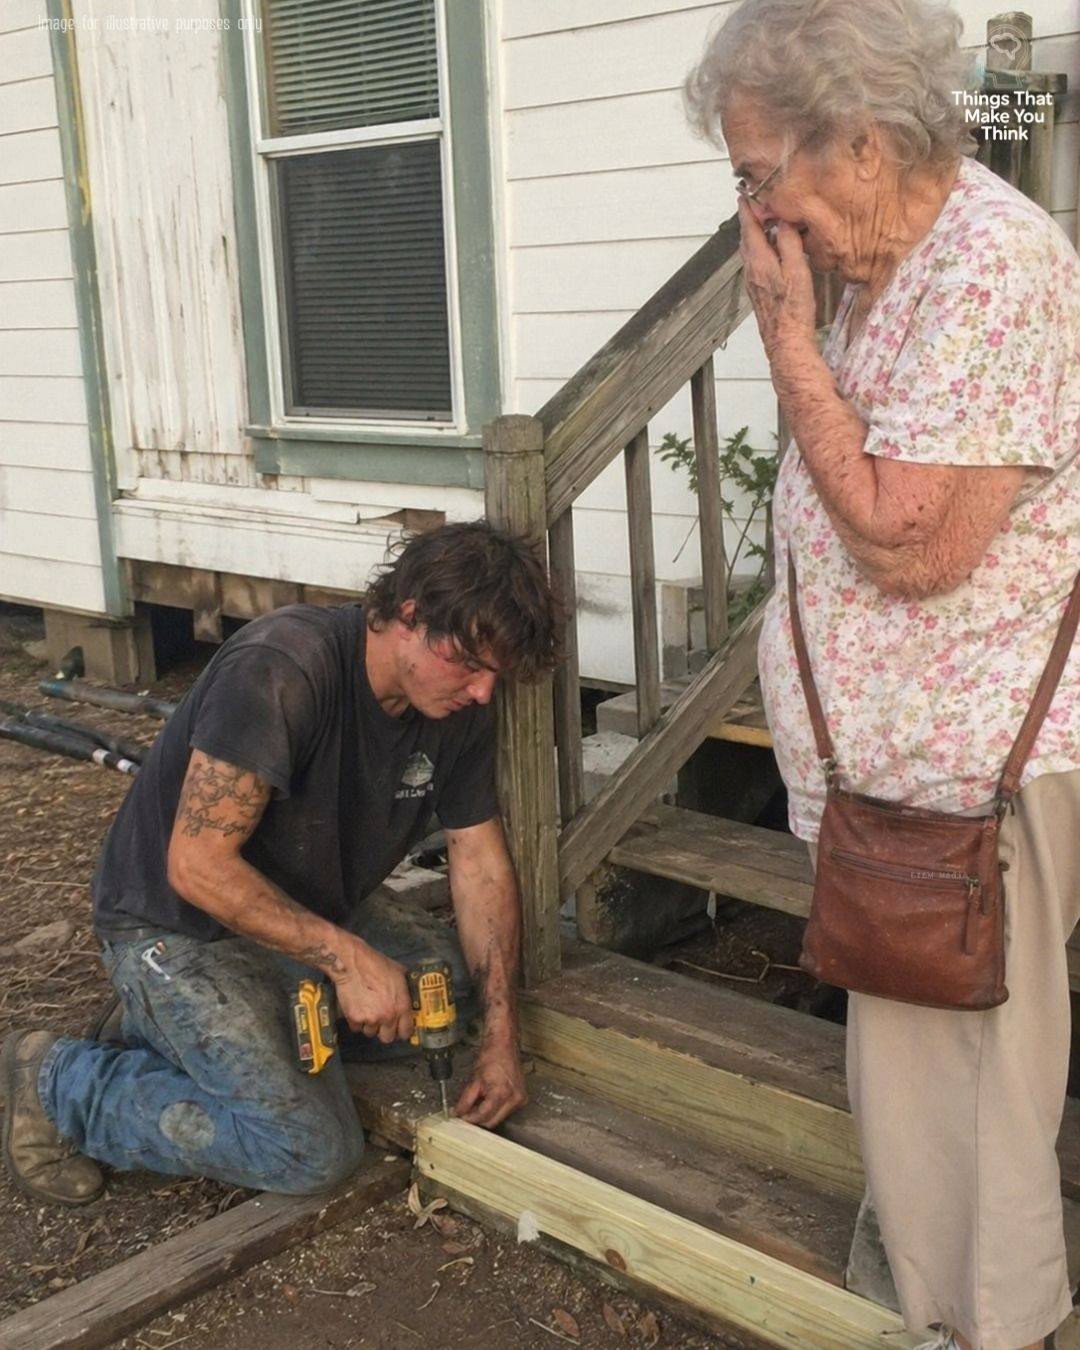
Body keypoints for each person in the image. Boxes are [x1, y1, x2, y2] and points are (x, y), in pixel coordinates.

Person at [684, 2, 1080, 1348]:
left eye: (758, 174)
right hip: (902, 780)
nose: (755, 212)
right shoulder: (881, 264)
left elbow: (913, 545)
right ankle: (931, 1281)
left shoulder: (987, 269)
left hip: (964, 785)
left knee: (972, 1089)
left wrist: (788, 343)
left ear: (858, 141)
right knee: (924, 1081)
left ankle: (986, 1325)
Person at [1, 521, 562, 1205]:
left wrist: (502, 1037)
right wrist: (348, 963)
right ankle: (59, 1083)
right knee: (308, 1148)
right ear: (410, 616)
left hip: (305, 908)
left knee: (450, 995)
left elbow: (478, 862)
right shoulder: (282, 667)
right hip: (176, 927)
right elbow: (197, 867)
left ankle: (187, 1029)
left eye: (496, 674)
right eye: (470, 664)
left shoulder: (458, 710)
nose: (482, 692)